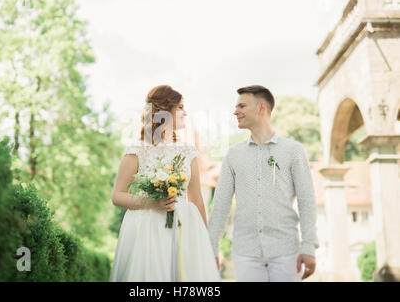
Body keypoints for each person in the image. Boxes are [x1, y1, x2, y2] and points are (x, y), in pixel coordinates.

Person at [109, 84, 221, 282]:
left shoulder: (188, 152)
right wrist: (151, 203)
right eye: (180, 108)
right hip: (147, 229)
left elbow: (196, 200)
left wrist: (208, 243)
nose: (185, 112)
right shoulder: (137, 150)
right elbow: (117, 195)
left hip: (184, 227)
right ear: (165, 111)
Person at [208, 85, 319, 282]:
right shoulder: (233, 155)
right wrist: (212, 246)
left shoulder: (293, 151)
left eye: (242, 106)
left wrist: (309, 246)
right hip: (245, 253)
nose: (236, 111)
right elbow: (221, 204)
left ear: (261, 108)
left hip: (286, 251)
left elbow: (307, 200)